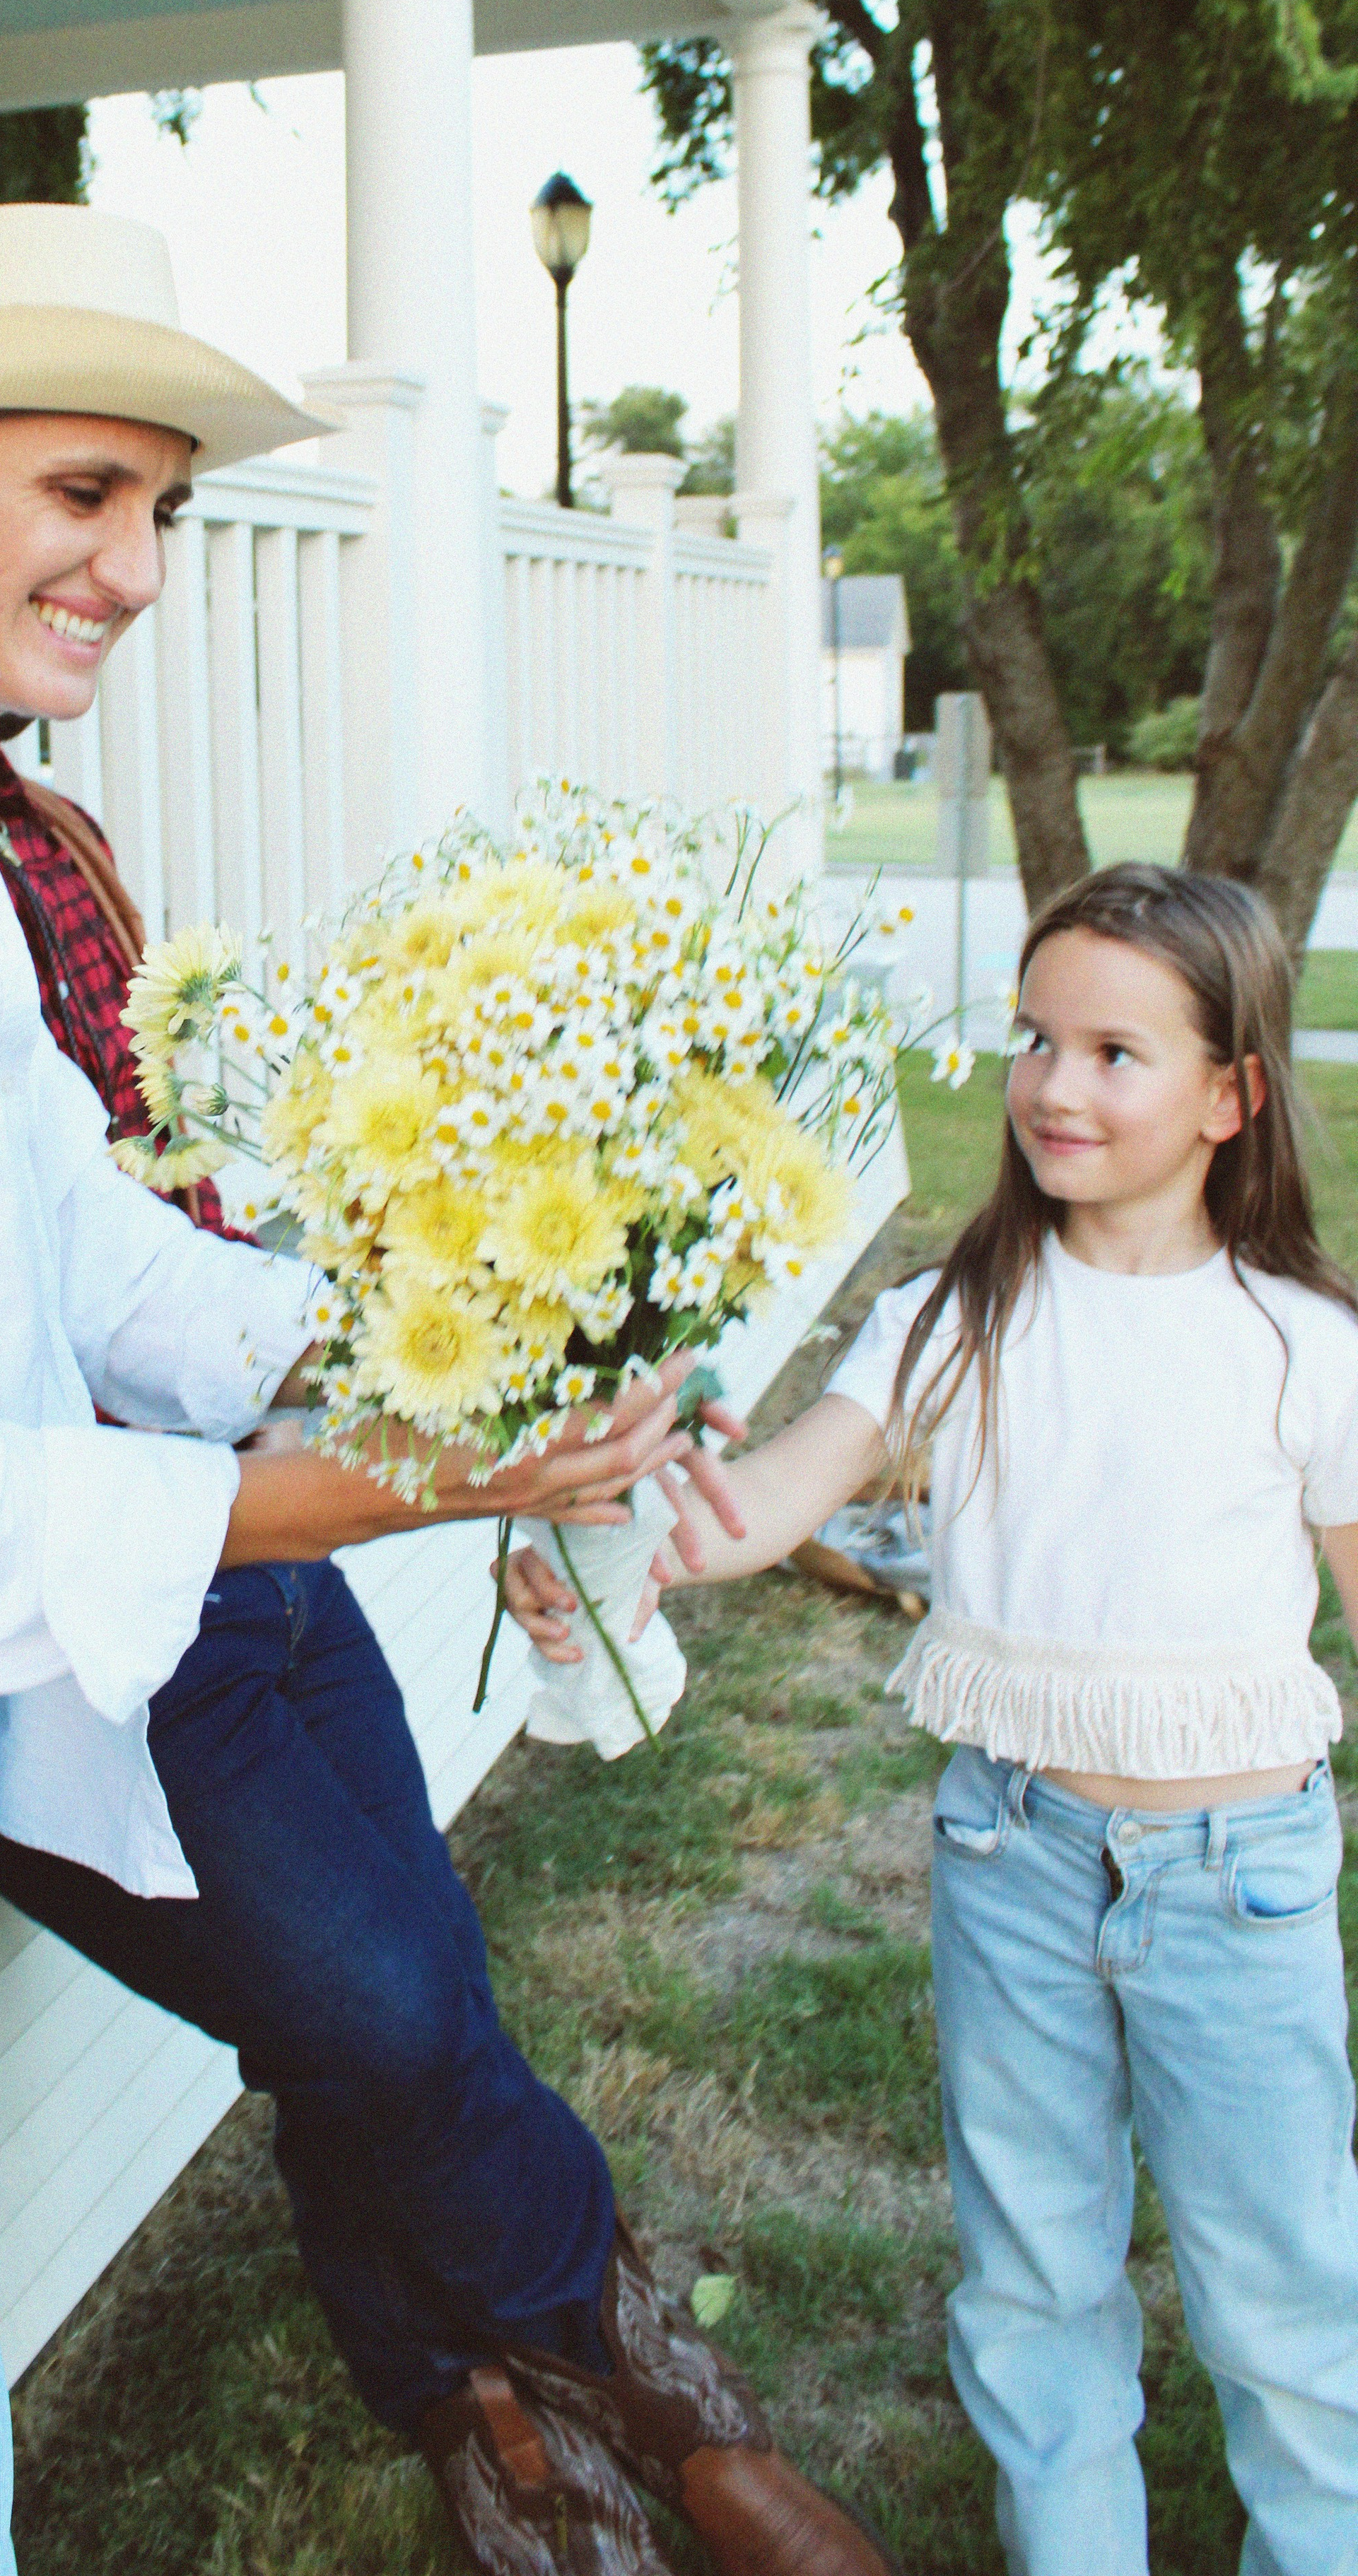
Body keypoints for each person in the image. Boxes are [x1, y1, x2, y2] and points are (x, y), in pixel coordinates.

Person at [0, 201, 715, 2576]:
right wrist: (373, 1487)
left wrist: (438, 1343)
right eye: (85, 489)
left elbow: (69, 1238)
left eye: (161, 507)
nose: (143, 560)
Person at [0, 722, 898, 2576]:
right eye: (83, 498)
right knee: (388, 2016)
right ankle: (658, 2402)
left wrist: (476, 1364)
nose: (129, 569)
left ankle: (487, 2439)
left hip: (261, 1528)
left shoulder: (35, 842)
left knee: (394, 2008)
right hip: (109, 1591)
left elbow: (144, 1227)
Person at [513, 861, 1358, 2575]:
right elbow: (749, 1511)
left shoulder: (1299, 1349)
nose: (1052, 1083)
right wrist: (612, 1542)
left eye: (1115, 1050)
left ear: (1228, 1094)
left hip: (1236, 1883)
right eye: (1032, 1038)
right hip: (1013, 1851)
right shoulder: (946, 1320)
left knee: (1280, 2300)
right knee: (1032, 2275)